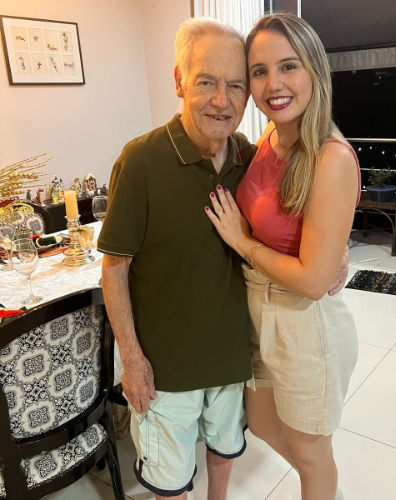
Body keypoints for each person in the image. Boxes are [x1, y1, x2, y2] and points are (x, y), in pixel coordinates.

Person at [97, 18, 256, 500]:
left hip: (230, 353)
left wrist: (333, 252)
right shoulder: (140, 161)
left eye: (235, 86)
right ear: (179, 81)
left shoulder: (248, 157)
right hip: (164, 368)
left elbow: (294, 213)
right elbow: (114, 271)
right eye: (206, 82)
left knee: (225, 448)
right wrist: (132, 360)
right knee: (170, 481)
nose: (222, 100)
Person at [205, 13, 360, 500]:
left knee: (313, 456)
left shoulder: (330, 158)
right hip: (259, 311)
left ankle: (321, 483)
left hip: (304, 324)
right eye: (259, 71)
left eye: (288, 66)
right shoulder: (270, 140)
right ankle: (324, 483)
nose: (273, 84)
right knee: (264, 424)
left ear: (314, 69)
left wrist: (243, 243)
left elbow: (313, 282)